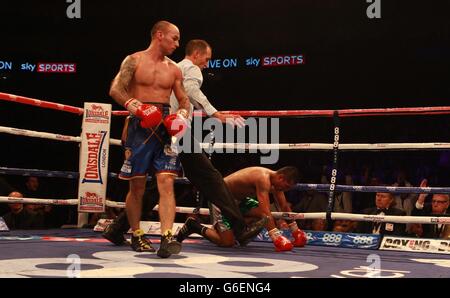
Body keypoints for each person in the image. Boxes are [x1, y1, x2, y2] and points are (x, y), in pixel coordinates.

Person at [103, 39, 267, 249]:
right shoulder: (190, 68)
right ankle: (239, 227)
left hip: (160, 128)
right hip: (175, 130)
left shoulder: (173, 68)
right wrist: (215, 113)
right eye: (206, 59)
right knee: (209, 177)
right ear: (196, 55)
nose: (207, 64)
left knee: (160, 186)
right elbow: (190, 91)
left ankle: (117, 227)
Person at [109, 20, 191, 258]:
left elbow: (184, 99)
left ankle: (167, 236)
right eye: (174, 38)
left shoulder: (174, 69)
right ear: (159, 35)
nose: (177, 43)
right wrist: (135, 106)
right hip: (139, 124)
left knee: (166, 181)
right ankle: (136, 234)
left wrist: (182, 116)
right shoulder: (133, 60)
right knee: (137, 184)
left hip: (165, 124)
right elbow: (116, 89)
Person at [177, 166, 307, 251]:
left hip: (238, 201)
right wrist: (276, 237)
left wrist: (296, 231)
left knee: (261, 214)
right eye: (287, 186)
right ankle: (193, 226)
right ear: (281, 177)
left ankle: (239, 232)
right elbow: (266, 210)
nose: (286, 190)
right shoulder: (263, 178)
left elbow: (284, 206)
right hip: (220, 199)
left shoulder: (277, 185)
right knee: (227, 242)